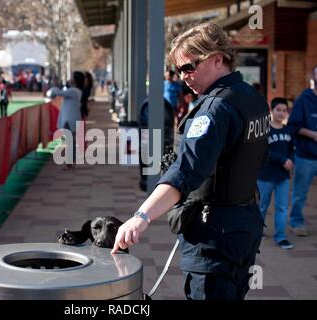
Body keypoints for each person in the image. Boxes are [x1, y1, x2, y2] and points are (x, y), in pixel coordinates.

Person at [112, 23, 270, 300]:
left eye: (189, 67)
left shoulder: (215, 110)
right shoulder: (253, 99)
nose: (183, 77)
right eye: (178, 70)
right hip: (245, 225)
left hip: (214, 236)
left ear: (218, 59)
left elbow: (185, 171)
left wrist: (141, 217)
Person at [257, 98, 294, 249]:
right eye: (278, 110)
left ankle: (281, 236)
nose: (281, 113)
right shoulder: (265, 130)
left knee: (282, 207)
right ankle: (257, 231)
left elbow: (291, 150)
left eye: (284, 110)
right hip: (265, 176)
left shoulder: (288, 131)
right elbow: (263, 152)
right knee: (262, 206)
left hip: (283, 177)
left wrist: (291, 160)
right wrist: (282, 159)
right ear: (271, 111)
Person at [287, 66, 317, 237]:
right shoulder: (303, 99)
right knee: (300, 194)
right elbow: (293, 126)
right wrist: (313, 134)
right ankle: (297, 222)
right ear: (313, 76)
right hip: (306, 156)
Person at [48, 71, 84, 170]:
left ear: (75, 80)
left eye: (71, 77)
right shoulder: (76, 91)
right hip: (73, 118)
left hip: (70, 119)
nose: (70, 78)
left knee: (69, 141)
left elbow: (57, 93)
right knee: (70, 140)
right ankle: (70, 161)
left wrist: (54, 85)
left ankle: (70, 163)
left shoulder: (72, 91)